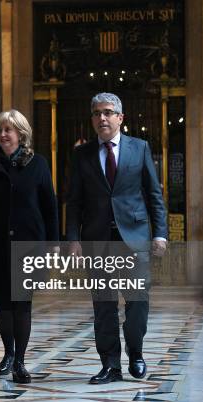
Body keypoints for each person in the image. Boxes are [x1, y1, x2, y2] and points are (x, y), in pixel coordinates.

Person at [66, 92, 168, 384]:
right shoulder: (81, 154)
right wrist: (73, 238)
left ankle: (136, 353)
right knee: (104, 305)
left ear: (120, 118)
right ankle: (110, 364)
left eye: (108, 112)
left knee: (137, 301)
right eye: (97, 113)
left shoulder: (140, 148)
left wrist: (160, 233)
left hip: (133, 238)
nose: (102, 118)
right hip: (97, 240)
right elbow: (74, 201)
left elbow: (153, 195)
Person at [0, 110, 59, 384]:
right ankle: (8, 352)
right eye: (0, 130)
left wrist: (53, 244)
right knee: (2, 306)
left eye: (9, 130)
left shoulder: (38, 164)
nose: (3, 134)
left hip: (29, 245)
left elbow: (50, 207)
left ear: (21, 134)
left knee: (22, 305)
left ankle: (20, 361)